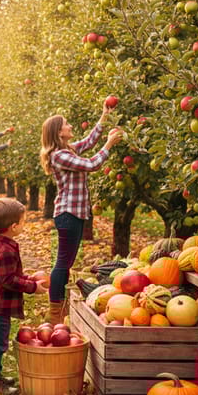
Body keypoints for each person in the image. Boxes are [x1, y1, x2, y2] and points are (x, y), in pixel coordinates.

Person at [40, 98, 122, 324]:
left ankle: (60, 307)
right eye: (66, 124)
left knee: (66, 262)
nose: (71, 127)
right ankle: (55, 311)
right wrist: (109, 145)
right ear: (58, 133)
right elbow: (91, 165)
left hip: (74, 214)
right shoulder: (59, 155)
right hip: (68, 215)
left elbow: (89, 140)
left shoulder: (68, 149)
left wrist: (104, 116)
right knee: (62, 263)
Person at [0, 198, 48, 393]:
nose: (24, 225)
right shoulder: (6, 250)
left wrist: (29, 278)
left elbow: (8, 275)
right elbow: (9, 280)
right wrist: (32, 288)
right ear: (14, 226)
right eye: (23, 222)